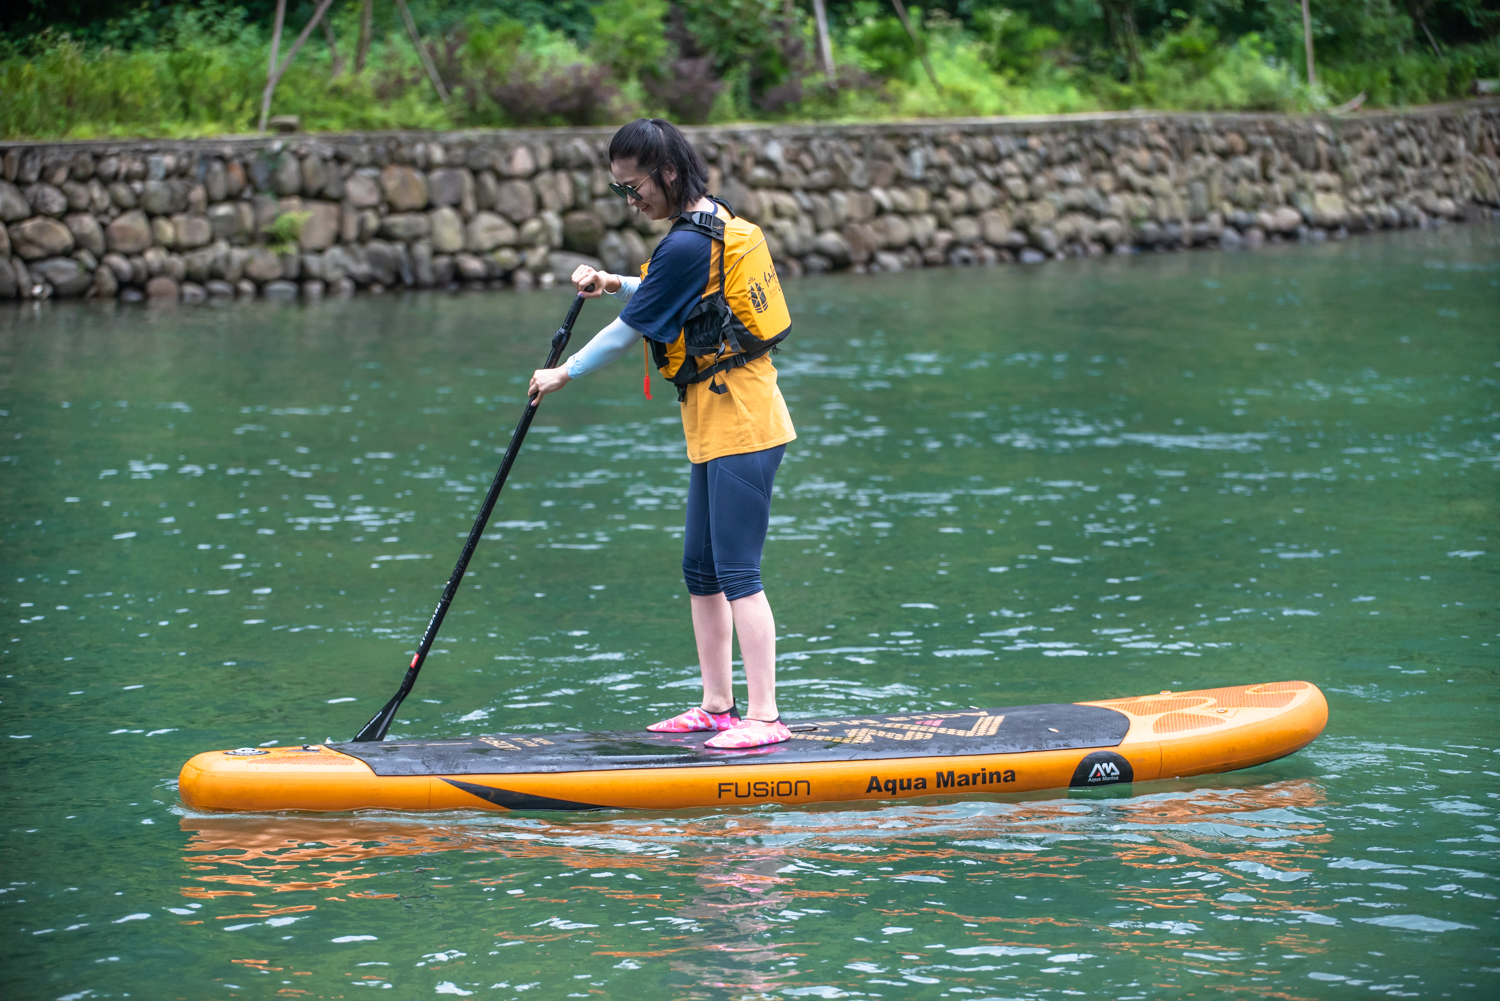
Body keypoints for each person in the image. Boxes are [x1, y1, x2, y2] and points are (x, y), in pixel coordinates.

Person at [527, 118, 797, 749]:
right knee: (699, 570)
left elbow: (629, 331)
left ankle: (765, 718)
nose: (631, 200)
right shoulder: (704, 224)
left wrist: (564, 371)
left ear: (668, 173)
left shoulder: (683, 243)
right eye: (622, 190)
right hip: (712, 417)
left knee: (738, 573)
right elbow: (663, 291)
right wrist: (614, 282)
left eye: (634, 186)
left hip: (745, 421)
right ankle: (716, 706)